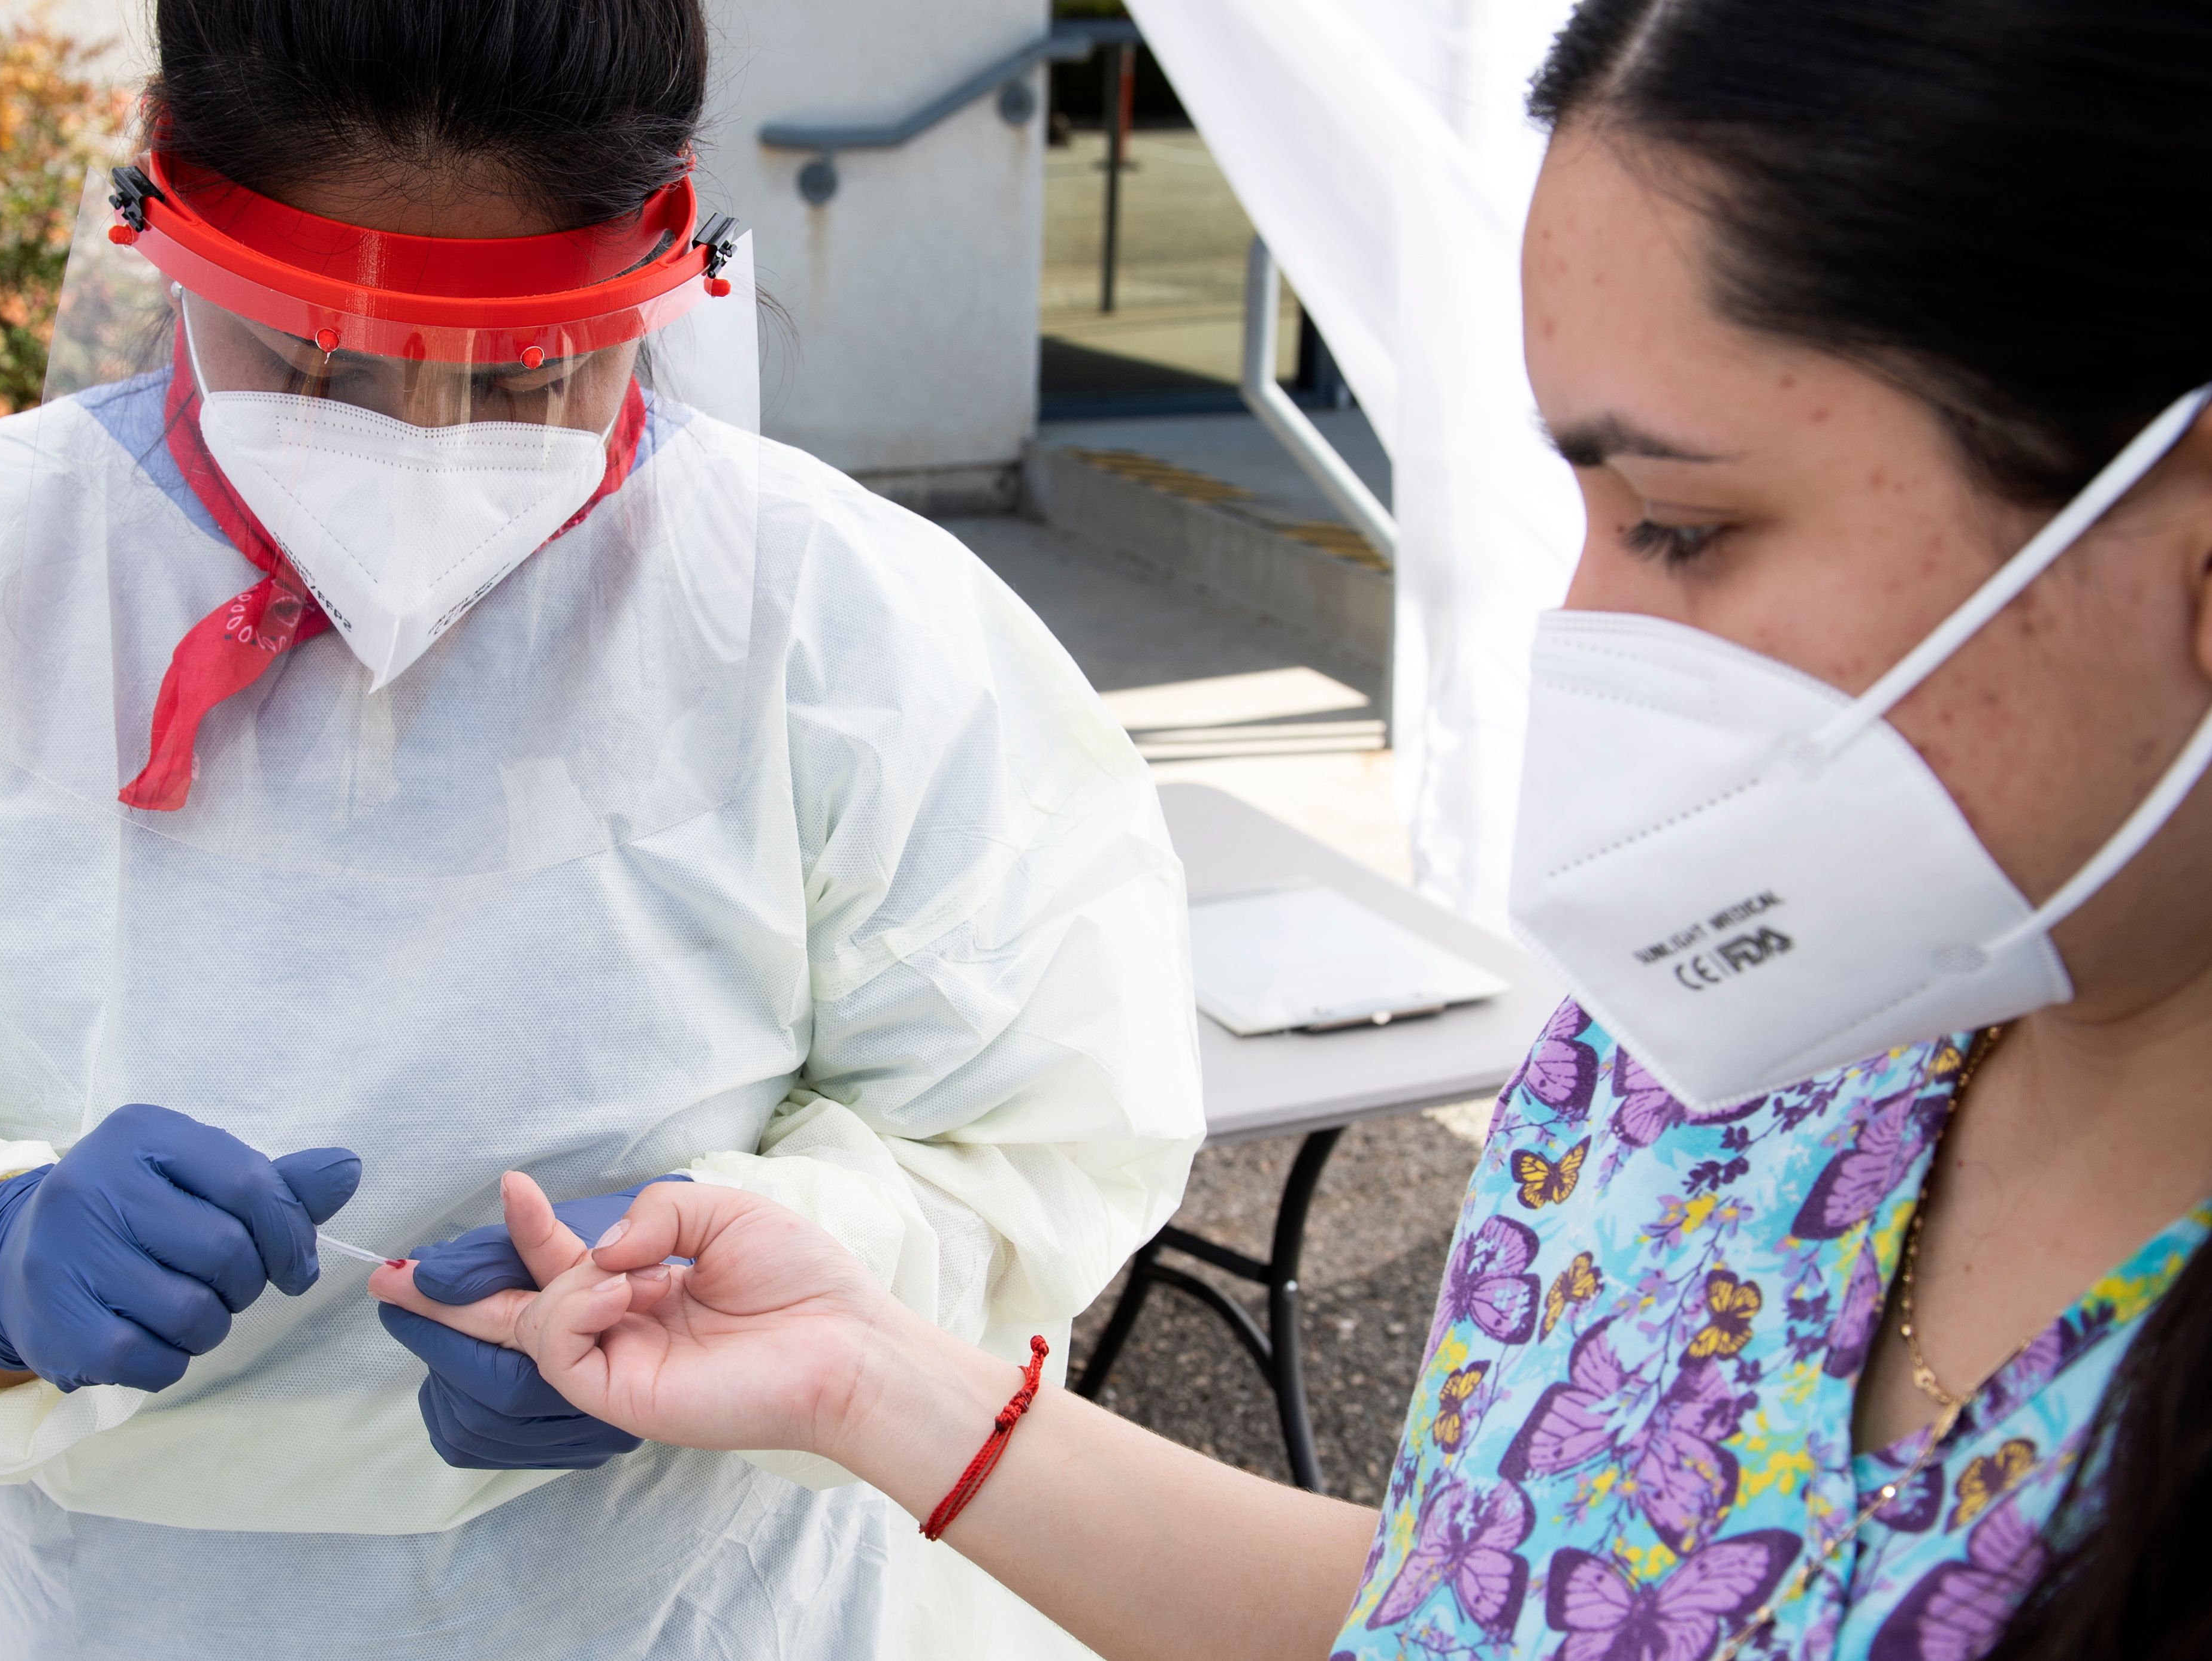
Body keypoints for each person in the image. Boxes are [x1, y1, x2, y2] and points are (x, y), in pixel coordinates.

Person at [376, 3, 2212, 1659]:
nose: (1589, 635)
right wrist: (868, 1376)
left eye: (1683, 523)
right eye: (1572, 496)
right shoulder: (1718, 1057)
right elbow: (1482, 1594)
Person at [0, 2, 1201, 1657]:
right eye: (316, 362)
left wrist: (774, 1275)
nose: (422, 449)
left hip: (698, 1607)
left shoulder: (840, 625)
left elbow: (1036, 1136)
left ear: (658, 253)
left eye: (531, 369)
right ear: (167, 208)